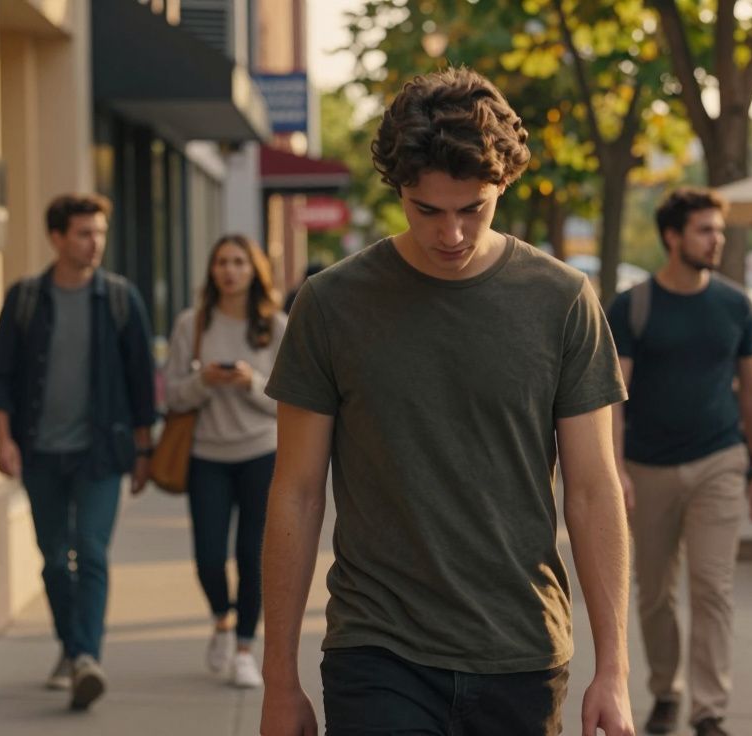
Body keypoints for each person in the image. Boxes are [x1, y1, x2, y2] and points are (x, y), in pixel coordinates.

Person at [259, 68, 635, 736]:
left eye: (473, 209)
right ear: (398, 188)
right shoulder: (332, 304)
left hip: (519, 648)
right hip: (378, 647)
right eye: (428, 210)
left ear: (504, 186)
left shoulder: (563, 302)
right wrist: (278, 678)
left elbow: (593, 490)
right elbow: (296, 493)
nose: (452, 234)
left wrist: (615, 670)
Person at [605, 188, 752, 736]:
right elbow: (614, 395)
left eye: (718, 230)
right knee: (654, 592)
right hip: (648, 469)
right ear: (673, 237)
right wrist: (616, 470)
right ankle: (664, 691)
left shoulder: (734, 305)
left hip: (718, 461)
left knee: (711, 584)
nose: (716, 239)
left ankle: (708, 710)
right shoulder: (633, 307)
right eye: (704, 230)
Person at [0, 193, 156, 711]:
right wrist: (3, 440)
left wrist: (144, 451)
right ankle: (74, 646)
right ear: (57, 238)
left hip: (100, 453)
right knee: (56, 560)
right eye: (84, 233)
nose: (94, 242)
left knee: (93, 551)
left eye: (99, 233)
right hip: (39, 451)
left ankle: (85, 658)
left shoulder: (122, 299)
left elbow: (143, 383)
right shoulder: (27, 299)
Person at [162, 234, 286, 689]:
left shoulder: (275, 326)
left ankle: (244, 650)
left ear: (253, 270)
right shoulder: (191, 324)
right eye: (221, 262)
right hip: (206, 456)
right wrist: (205, 382)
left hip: (260, 452)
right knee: (209, 556)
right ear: (212, 271)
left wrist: (251, 382)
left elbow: (290, 401)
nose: (229, 270)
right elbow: (173, 394)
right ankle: (220, 618)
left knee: (252, 556)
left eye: (238, 262)